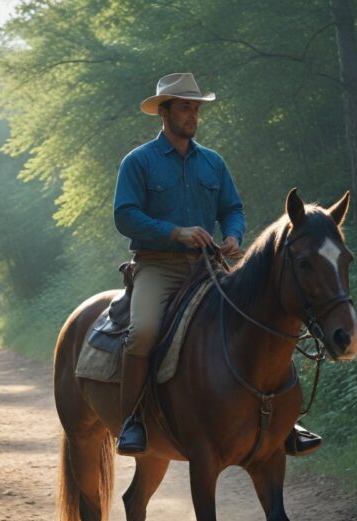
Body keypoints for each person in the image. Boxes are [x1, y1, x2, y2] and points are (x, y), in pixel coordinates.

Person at [112, 72, 322, 458]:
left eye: (196, 108)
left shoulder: (213, 163)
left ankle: (283, 420)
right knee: (142, 332)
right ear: (164, 112)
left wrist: (234, 236)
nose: (193, 115)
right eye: (185, 108)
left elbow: (232, 208)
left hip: (208, 266)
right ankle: (132, 420)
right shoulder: (138, 162)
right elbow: (125, 215)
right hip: (158, 266)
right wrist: (175, 232)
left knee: (262, 320)